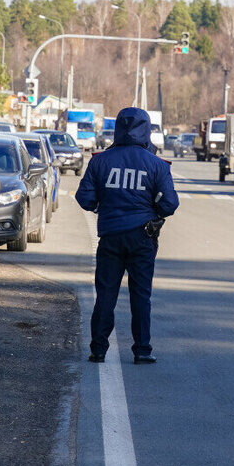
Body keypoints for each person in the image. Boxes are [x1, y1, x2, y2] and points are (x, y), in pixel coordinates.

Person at [75, 107, 179, 364]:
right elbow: (170, 204)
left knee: (106, 294)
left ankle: (98, 349)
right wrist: (153, 211)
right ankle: (142, 350)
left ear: (118, 128)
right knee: (141, 295)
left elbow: (84, 198)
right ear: (147, 130)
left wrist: (102, 206)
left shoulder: (100, 161)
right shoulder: (157, 165)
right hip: (143, 237)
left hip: (110, 236)